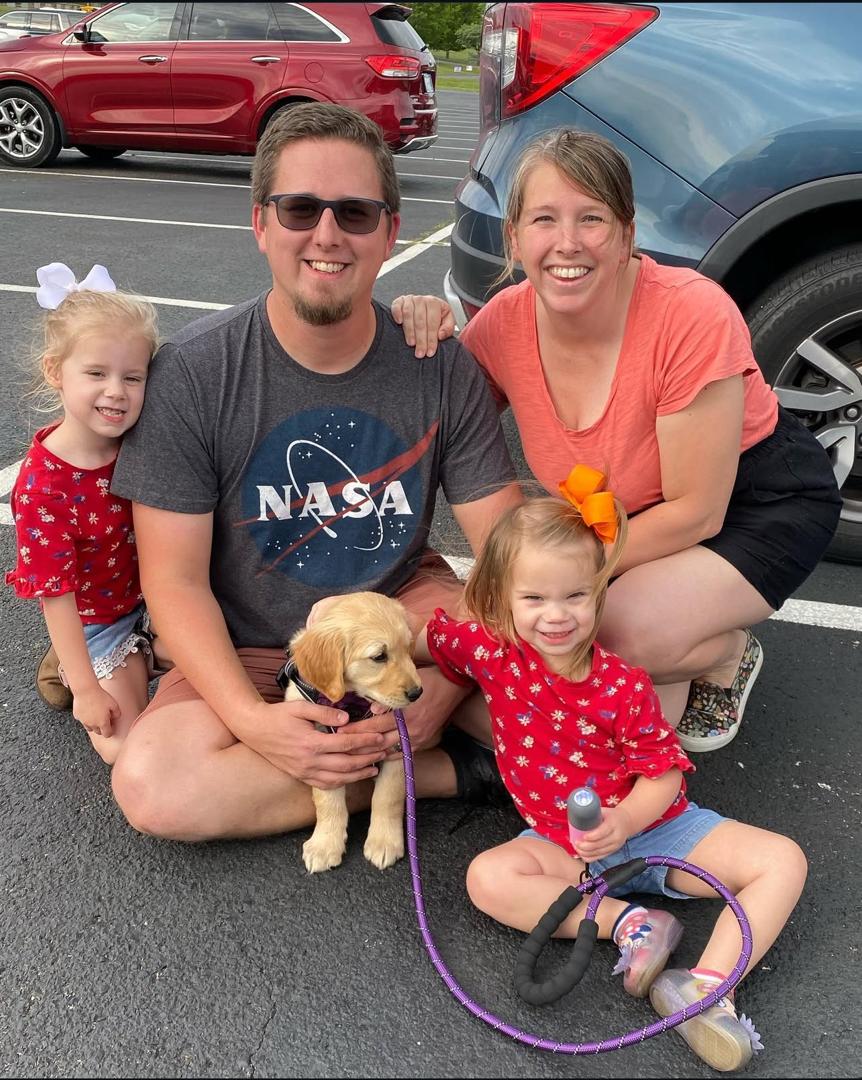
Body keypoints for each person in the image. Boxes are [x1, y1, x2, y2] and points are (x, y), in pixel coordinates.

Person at [107, 102, 522, 841]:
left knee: (584, 731)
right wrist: (253, 722)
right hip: (254, 644)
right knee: (156, 787)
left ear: (389, 232)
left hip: (405, 623)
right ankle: (443, 774)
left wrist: (450, 681)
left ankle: (393, 755)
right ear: (261, 223)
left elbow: (507, 557)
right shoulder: (194, 373)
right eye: (300, 209)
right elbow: (174, 582)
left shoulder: (437, 365)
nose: (327, 235)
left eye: (355, 213)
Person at [393, 128, 842, 752]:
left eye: (592, 218)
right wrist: (420, 321)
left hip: (751, 502)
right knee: (612, 699)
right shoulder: (502, 326)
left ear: (627, 233)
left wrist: (549, 575)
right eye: (544, 219)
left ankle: (725, 652)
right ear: (514, 238)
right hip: (624, 518)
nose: (567, 242)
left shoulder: (690, 312)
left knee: (614, 633)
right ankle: (684, 638)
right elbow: (437, 418)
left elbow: (697, 511)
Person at [417, 469, 807, 1072]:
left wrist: (624, 823)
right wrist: (355, 641)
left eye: (575, 596)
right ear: (499, 600)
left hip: (657, 832)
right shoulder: (489, 651)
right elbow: (423, 640)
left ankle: (707, 989)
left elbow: (663, 774)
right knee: (487, 878)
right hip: (562, 844)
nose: (556, 616)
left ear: (599, 594)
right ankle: (630, 923)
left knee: (783, 860)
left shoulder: (621, 684)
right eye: (534, 599)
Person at [6, 263, 159, 764]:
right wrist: (90, 690)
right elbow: (55, 593)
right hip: (98, 621)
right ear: (55, 371)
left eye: (132, 377)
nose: (116, 390)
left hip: (157, 599)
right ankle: (71, 667)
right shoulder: (43, 490)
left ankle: (113, 661)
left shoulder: (140, 440)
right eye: (96, 373)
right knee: (122, 747)